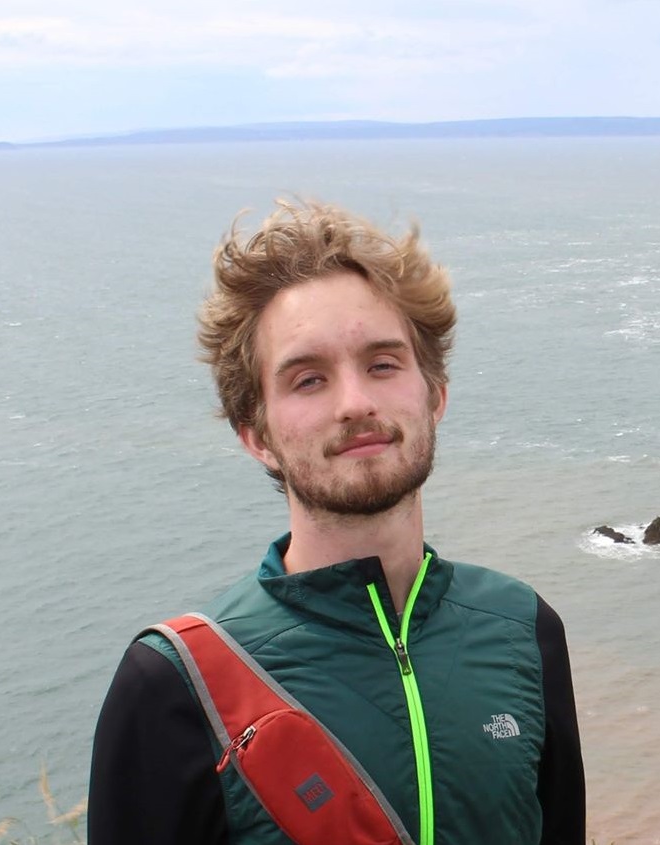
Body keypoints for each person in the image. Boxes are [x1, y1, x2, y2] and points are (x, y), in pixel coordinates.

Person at [88, 201, 586, 845]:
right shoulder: (177, 684)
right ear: (256, 435)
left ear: (434, 395)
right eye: (308, 379)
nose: (356, 402)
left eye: (383, 365)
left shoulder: (524, 630)